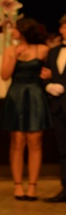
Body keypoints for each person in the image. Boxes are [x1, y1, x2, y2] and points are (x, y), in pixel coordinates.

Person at [0, 18, 51, 200]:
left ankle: (33, 185)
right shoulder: (10, 50)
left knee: (35, 140)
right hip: (17, 96)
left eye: (15, 28)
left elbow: (51, 72)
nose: (12, 31)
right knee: (18, 140)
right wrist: (14, 56)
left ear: (23, 30)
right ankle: (18, 184)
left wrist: (49, 75)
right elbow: (4, 75)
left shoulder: (43, 49)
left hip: (35, 95)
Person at [43, 14, 66, 202]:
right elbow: (45, 74)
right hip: (59, 107)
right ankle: (65, 188)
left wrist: (60, 83)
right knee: (63, 149)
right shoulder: (53, 51)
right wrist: (48, 85)